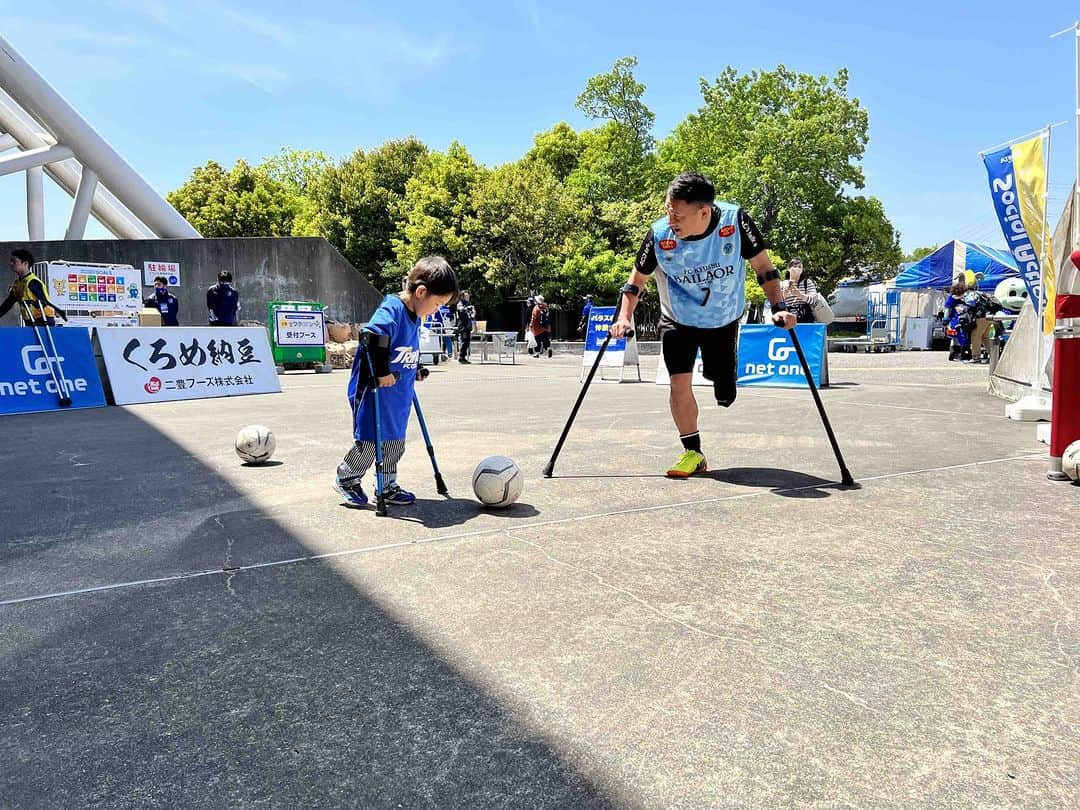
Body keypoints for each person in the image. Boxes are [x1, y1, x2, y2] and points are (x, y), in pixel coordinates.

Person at [611, 171, 796, 477]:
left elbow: (763, 267)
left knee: (723, 389)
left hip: (722, 319)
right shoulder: (659, 235)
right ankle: (692, 453)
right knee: (678, 383)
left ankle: (724, 379)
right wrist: (623, 317)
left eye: (679, 215)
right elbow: (636, 283)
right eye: (669, 211)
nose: (672, 220)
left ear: (704, 212)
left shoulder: (735, 223)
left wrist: (779, 307)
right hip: (677, 319)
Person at [333, 256, 459, 508]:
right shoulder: (393, 308)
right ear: (421, 292)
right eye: (437, 304)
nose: (436, 310)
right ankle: (346, 478)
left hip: (399, 394)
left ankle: (387, 484)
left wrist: (416, 368)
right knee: (369, 442)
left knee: (394, 442)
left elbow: (404, 348)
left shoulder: (416, 314)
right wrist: (380, 371)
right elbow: (373, 335)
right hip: (375, 391)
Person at [0, 249, 67, 326]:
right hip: (30, 319)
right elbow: (7, 304)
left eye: (14, 261)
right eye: (11, 261)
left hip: (43, 319)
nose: (11, 263)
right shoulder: (17, 284)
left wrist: (57, 310)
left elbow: (44, 300)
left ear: (25, 263)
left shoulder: (32, 281)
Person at [779, 259, 823, 324]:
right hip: (787, 320)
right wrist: (784, 296)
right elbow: (777, 304)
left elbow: (814, 299)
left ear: (802, 270)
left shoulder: (807, 282)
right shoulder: (782, 284)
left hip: (805, 319)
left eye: (800, 267)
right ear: (788, 268)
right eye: (795, 266)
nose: (797, 269)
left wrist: (800, 295)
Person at [456, 290, 475, 364]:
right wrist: (467, 309)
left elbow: (472, 314)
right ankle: (461, 358)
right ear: (462, 296)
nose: (468, 297)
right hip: (463, 326)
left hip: (468, 326)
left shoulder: (468, 303)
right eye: (466, 296)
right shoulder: (460, 303)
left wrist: (472, 311)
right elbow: (460, 309)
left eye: (468, 296)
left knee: (467, 342)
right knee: (464, 342)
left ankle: (463, 357)